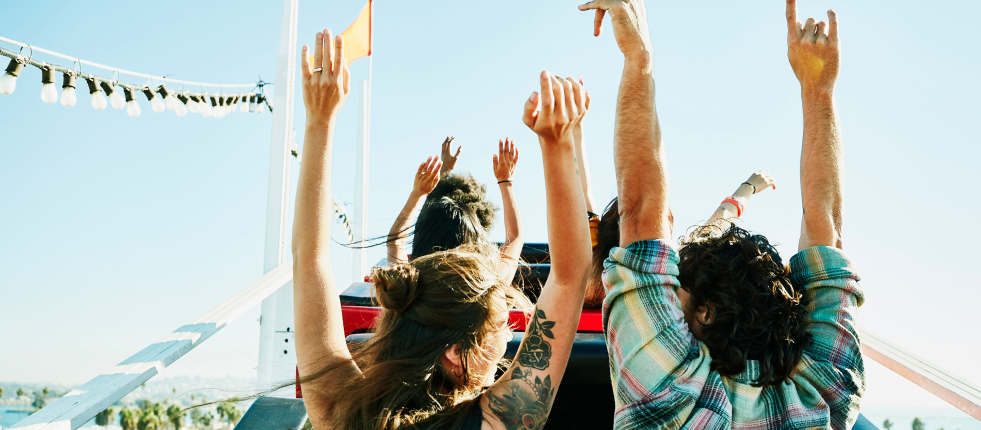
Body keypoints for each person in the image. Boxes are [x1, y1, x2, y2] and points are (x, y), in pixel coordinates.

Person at [579, 1, 866, 429]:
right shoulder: (827, 392)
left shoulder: (666, 393)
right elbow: (827, 231)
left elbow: (639, 212)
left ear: (707, 312)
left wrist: (639, 55)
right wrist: (819, 91)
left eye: (680, 288)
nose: (671, 290)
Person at [291, 28, 594, 430]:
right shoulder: (495, 423)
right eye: (500, 327)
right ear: (456, 353)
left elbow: (310, 260)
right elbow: (571, 277)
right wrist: (559, 145)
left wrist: (317, 122)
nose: (506, 341)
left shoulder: (341, 411)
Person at [580, 170, 776, 309]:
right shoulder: (674, 274)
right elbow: (718, 223)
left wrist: (572, 130)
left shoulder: (581, 271)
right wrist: (748, 187)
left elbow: (582, 191)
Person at [385, 138, 525, 286]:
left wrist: (418, 193)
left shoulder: (405, 289)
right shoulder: (488, 287)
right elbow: (514, 237)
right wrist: (505, 181)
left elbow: (395, 242)